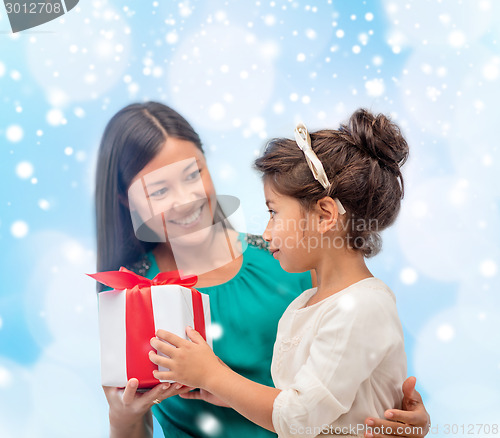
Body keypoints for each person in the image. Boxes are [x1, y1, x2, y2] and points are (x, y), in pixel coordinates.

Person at [95, 102, 431, 438]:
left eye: (193, 174)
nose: (186, 199)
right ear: (127, 199)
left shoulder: (293, 257)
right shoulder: (134, 295)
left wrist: (404, 417)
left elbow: (356, 378)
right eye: (159, 190)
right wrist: (122, 418)